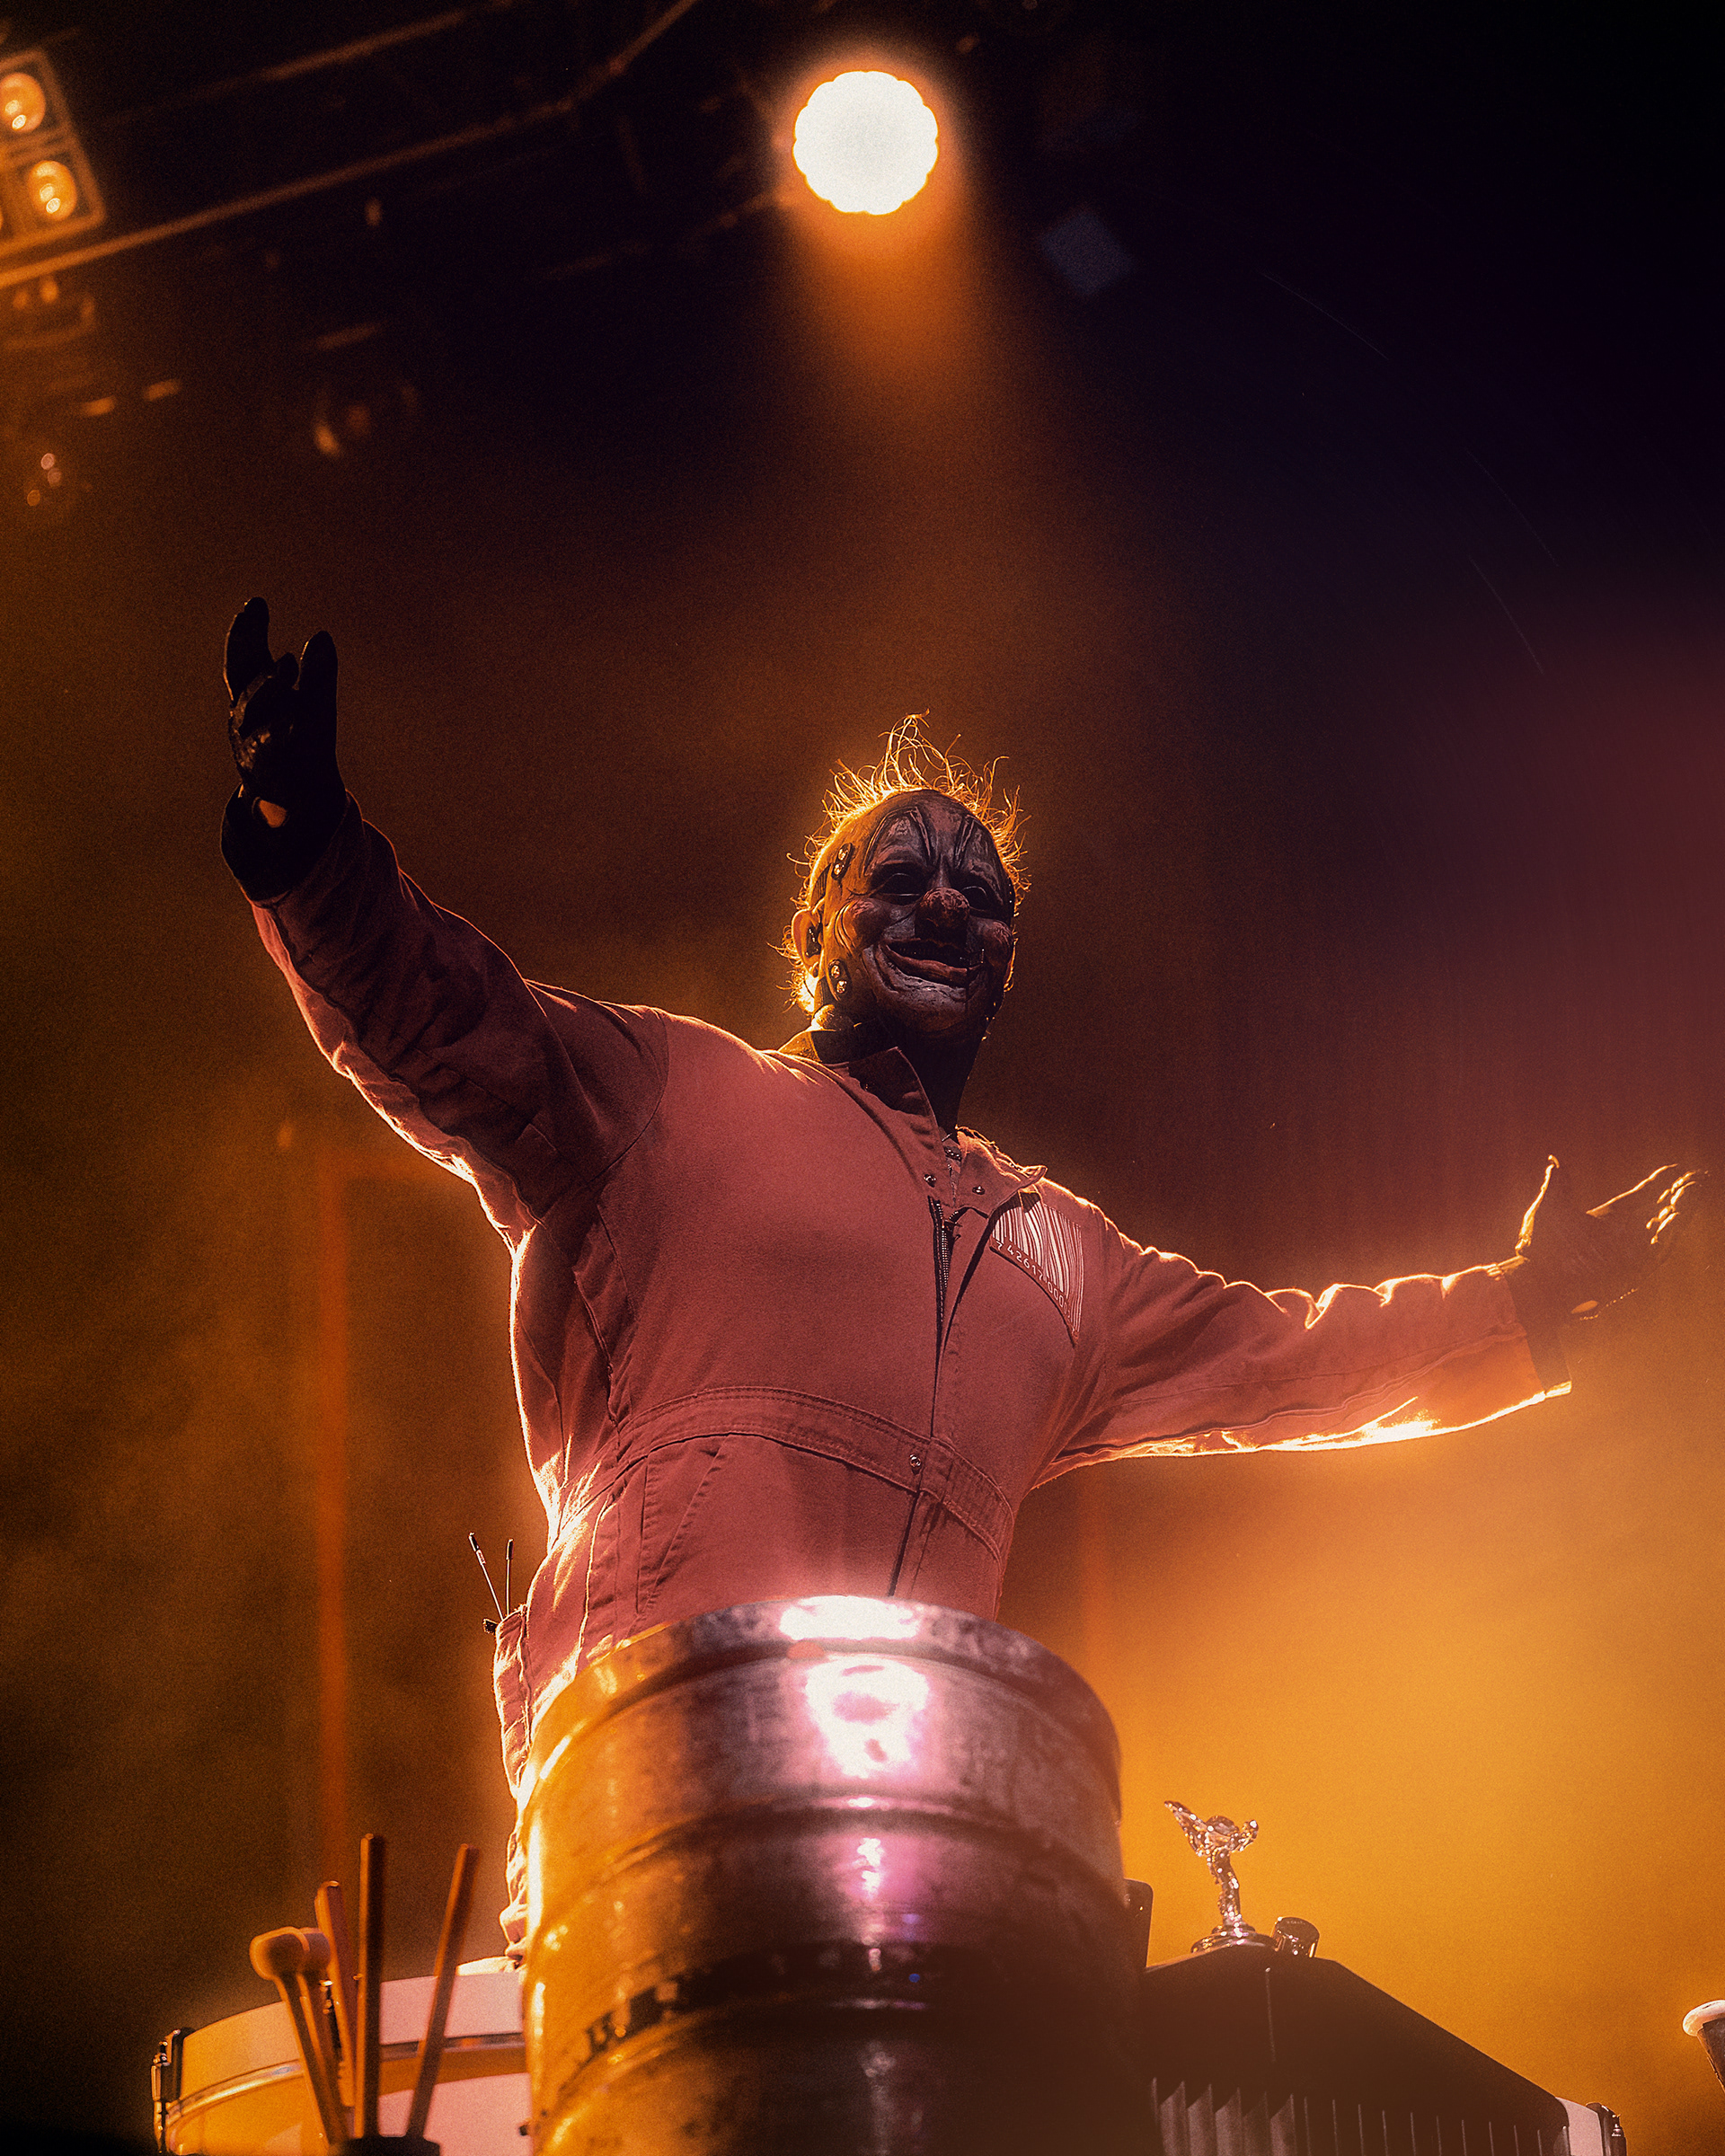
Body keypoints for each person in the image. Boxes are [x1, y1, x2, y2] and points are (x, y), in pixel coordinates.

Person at [218, 597, 1701, 1951]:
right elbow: (443, 1014)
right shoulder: (671, 1090)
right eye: (901, 876)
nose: (943, 904)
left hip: (920, 1848)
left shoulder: (1066, 1255)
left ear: (1007, 958)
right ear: (814, 927)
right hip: (652, 1793)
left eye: (979, 894)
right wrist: (312, 853)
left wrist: (1529, 1305)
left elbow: (1297, 1361)